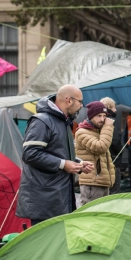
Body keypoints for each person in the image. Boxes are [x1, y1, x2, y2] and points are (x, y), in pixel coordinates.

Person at [17, 85, 94, 226]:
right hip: (45, 200)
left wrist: (78, 163)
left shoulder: (63, 122)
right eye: (80, 102)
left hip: (59, 197)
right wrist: (64, 164)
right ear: (69, 100)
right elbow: (30, 153)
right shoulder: (42, 121)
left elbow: (58, 153)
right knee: (44, 243)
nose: (81, 106)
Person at [75, 101, 116, 206]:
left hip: (102, 182)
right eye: (98, 116)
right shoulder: (82, 132)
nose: (102, 119)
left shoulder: (98, 131)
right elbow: (100, 147)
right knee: (90, 217)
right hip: (92, 183)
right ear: (91, 116)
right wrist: (108, 127)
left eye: (104, 116)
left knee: (101, 216)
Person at [100, 97, 122, 194]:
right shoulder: (112, 120)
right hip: (113, 157)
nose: (116, 110)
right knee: (114, 188)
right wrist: (120, 151)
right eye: (114, 107)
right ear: (109, 106)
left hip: (101, 159)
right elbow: (115, 140)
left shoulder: (99, 120)